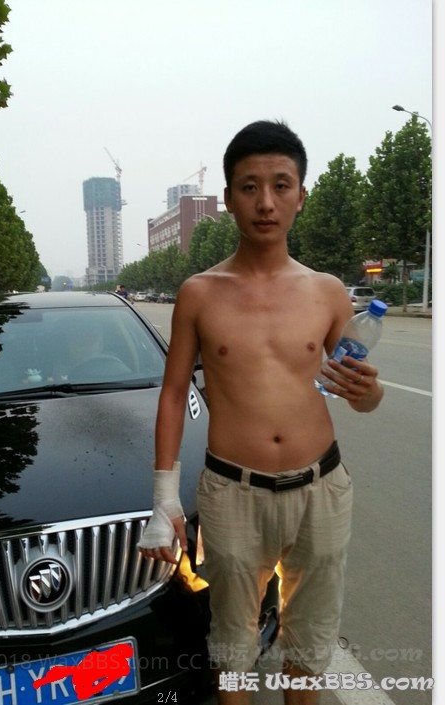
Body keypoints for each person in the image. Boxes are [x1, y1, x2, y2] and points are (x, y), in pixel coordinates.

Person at [138, 120, 384, 705]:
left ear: (301, 195)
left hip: (320, 489)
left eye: (281, 185)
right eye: (250, 187)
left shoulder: (327, 292)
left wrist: (366, 393)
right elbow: (173, 393)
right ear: (228, 198)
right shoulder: (199, 293)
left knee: (309, 641)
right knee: (233, 645)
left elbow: (364, 395)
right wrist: (164, 497)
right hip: (233, 494)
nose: (266, 202)